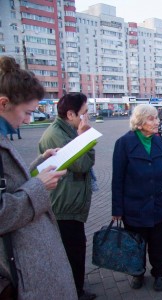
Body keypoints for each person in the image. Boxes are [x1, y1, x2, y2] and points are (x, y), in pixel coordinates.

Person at [0, 56, 77, 299]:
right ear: (3, 103)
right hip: (23, 271)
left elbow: (10, 183)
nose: (27, 120)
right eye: (27, 112)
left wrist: (39, 164)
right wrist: (39, 186)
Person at [38, 93, 96, 300]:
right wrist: (85, 138)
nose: (87, 118)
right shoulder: (56, 134)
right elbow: (82, 164)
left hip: (69, 200)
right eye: (84, 113)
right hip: (63, 204)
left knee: (75, 247)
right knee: (73, 249)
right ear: (70, 114)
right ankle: (75, 291)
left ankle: (75, 285)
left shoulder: (67, 130)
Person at [111, 104, 162, 291]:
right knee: (136, 244)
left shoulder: (158, 140)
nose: (156, 121)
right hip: (135, 205)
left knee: (158, 244)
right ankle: (137, 273)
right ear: (139, 123)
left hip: (158, 204)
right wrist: (117, 210)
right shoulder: (124, 143)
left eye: (156, 117)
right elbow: (117, 178)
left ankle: (160, 274)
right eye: (151, 118)